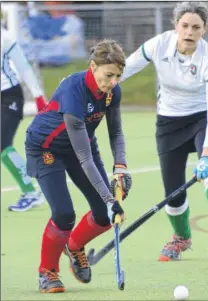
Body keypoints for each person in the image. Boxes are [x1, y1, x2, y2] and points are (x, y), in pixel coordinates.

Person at [121, 1, 208, 261]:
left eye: (196, 27)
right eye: (185, 25)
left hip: (203, 118)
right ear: (176, 25)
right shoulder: (159, 44)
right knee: (173, 191)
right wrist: (97, 83)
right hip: (169, 122)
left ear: (204, 29)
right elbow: (126, 69)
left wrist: (206, 154)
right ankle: (181, 239)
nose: (189, 32)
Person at [25, 39, 132, 293]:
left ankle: (74, 247)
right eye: (109, 75)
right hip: (46, 149)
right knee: (64, 214)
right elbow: (85, 158)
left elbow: (115, 133)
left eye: (118, 76)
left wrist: (121, 168)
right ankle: (47, 272)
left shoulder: (112, 92)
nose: (113, 82)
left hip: (81, 144)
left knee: (104, 216)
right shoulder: (74, 90)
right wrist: (110, 199)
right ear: (93, 67)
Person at [1, 25, 47, 212]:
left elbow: (24, 67)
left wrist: (38, 97)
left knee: (3, 144)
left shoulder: (3, 37)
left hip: (9, 97)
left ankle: (31, 193)